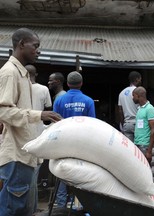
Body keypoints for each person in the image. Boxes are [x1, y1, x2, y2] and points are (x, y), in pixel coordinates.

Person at [0, 27, 62, 216]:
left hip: (25, 154)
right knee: (13, 208)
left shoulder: (22, 74)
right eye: (35, 46)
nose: (38, 50)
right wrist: (39, 115)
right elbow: (3, 111)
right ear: (21, 45)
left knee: (22, 208)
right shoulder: (10, 73)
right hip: (16, 155)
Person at [53, 71, 96, 208]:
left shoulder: (59, 100)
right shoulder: (88, 101)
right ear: (81, 83)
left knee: (62, 171)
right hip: (81, 144)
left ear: (68, 84)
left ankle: (60, 204)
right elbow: (92, 125)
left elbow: (55, 123)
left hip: (63, 142)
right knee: (80, 173)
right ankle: (79, 203)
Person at [26, 64, 52, 213]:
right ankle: (32, 208)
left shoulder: (19, 89)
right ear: (36, 74)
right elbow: (47, 112)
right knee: (33, 176)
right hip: (38, 135)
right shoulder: (43, 89)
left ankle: (32, 207)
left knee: (26, 176)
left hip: (21, 136)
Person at [132, 86, 154, 165]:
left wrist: (149, 151)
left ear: (138, 96)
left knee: (145, 169)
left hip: (145, 146)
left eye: (134, 96)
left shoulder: (149, 109)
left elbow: (153, 130)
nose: (132, 98)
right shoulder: (140, 109)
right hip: (138, 144)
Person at [118, 71, 142, 141]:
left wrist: (123, 124)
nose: (141, 81)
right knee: (139, 148)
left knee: (129, 149)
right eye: (140, 79)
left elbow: (120, 111)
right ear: (137, 79)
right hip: (138, 124)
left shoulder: (121, 93)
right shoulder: (139, 91)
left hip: (127, 124)